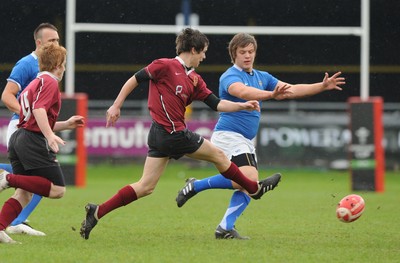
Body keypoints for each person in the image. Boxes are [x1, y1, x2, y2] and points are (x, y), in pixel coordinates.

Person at [79, 28, 281, 240]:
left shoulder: (194, 79)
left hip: (163, 135)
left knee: (146, 186)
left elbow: (217, 104)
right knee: (219, 156)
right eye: (203, 52)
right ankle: (254, 189)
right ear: (193, 49)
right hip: (171, 133)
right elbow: (135, 79)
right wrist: (116, 105)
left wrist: (243, 106)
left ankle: (97, 211)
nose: (204, 57)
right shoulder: (165, 65)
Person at [175, 32, 346, 239]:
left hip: (245, 140)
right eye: (242, 52)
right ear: (234, 54)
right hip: (229, 136)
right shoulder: (230, 75)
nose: (247, 56)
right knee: (250, 180)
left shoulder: (262, 76)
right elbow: (243, 92)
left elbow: (290, 89)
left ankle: (223, 226)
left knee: (248, 185)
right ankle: (200, 192)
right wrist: (271, 95)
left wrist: (322, 86)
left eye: (251, 51)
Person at [0, 42, 85, 244]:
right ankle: (7, 179)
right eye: (63, 63)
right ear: (57, 64)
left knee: (25, 194)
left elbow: (32, 118)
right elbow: (38, 111)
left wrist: (65, 125)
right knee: (57, 189)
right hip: (31, 140)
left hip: (19, 137)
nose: (64, 67)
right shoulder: (50, 82)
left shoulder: (35, 83)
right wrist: (48, 136)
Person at [0, 23, 60, 236]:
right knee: (43, 179)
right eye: (51, 40)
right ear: (39, 42)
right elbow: (7, 96)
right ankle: (17, 220)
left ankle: (14, 221)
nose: (55, 44)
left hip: (29, 128)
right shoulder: (27, 64)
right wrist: (28, 114)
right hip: (21, 128)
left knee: (34, 182)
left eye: (57, 40)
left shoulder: (49, 67)